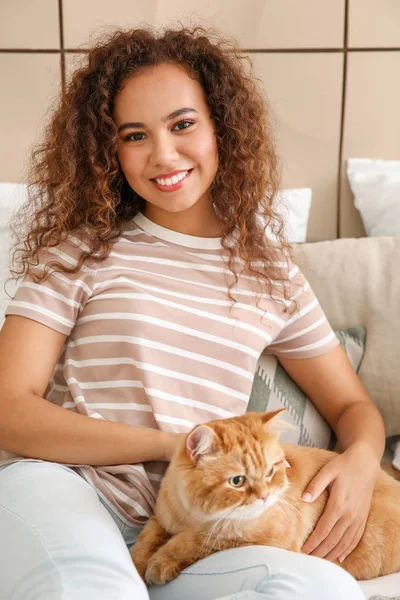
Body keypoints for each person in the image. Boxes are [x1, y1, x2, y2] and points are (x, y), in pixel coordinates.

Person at [0, 24, 381, 600]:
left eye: (183, 124)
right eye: (134, 135)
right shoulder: (79, 253)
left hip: (201, 524)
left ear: (220, 127)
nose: (163, 154)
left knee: (319, 589)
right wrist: (168, 445)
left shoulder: (270, 274)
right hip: (68, 489)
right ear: (109, 150)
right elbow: (8, 409)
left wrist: (359, 463)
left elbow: (354, 406)